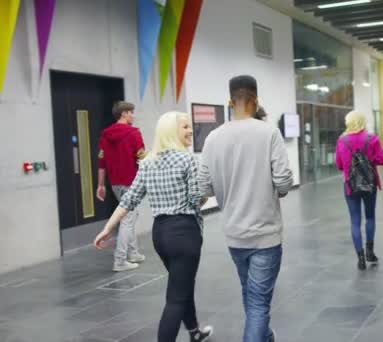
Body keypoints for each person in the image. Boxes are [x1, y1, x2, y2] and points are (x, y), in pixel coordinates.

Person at [94, 112, 213, 342]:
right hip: (184, 233)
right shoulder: (187, 159)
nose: (190, 131)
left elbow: (128, 199)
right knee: (176, 298)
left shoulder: (147, 162)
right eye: (185, 127)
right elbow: (195, 200)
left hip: (161, 234)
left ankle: (195, 331)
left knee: (181, 283)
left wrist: (107, 228)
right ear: (171, 132)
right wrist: (208, 192)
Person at [199, 75, 293, 342]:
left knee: (250, 295)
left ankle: (265, 337)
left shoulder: (213, 138)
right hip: (266, 235)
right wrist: (280, 190)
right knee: (259, 304)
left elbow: (204, 188)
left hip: (234, 236)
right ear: (256, 100)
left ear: (230, 102)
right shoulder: (269, 133)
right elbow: (284, 181)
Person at [96, 101, 146, 272]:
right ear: (124, 114)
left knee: (129, 215)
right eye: (131, 112)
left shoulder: (105, 135)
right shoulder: (134, 133)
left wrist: (100, 185)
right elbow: (142, 159)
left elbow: (101, 161)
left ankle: (133, 253)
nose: (133, 115)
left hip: (115, 183)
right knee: (128, 219)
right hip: (132, 182)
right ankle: (120, 260)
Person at [335, 111, 383, 270]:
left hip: (351, 185)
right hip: (370, 185)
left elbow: (339, 165)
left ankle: (361, 258)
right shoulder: (372, 138)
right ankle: (370, 252)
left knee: (355, 221)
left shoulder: (342, 140)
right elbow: (381, 159)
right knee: (370, 217)